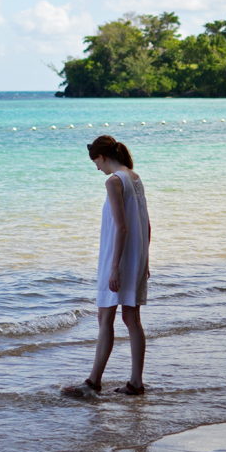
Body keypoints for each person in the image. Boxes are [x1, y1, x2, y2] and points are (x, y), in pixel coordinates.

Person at [63, 134, 150, 397]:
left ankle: (93, 382)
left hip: (118, 257)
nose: (96, 168)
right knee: (132, 318)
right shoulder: (134, 177)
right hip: (135, 256)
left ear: (102, 157)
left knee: (105, 318)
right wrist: (145, 259)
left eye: (95, 162)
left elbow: (121, 227)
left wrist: (114, 268)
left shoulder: (113, 181)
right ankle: (136, 383)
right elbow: (146, 224)